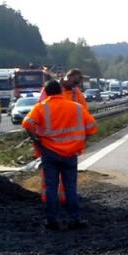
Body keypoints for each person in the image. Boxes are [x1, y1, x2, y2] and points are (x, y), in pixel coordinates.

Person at [23, 80, 97, 230]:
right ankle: (74, 219)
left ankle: (52, 221)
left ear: (47, 93)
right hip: (70, 154)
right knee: (70, 188)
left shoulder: (41, 107)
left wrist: (36, 140)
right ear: (61, 91)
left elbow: (26, 124)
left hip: (49, 152)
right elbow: (92, 127)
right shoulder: (76, 107)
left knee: (51, 187)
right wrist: (81, 142)